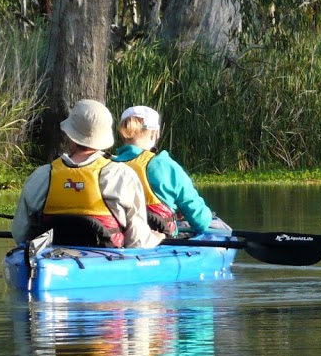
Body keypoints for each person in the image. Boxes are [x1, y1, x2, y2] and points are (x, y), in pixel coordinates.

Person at [12, 99, 164, 249]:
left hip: (50, 257)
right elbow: (137, 242)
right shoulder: (121, 175)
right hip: (107, 261)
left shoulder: (41, 176)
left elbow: (20, 235)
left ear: (70, 134)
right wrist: (157, 238)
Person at [113, 105, 214, 237]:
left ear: (123, 135)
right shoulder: (164, 165)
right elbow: (201, 221)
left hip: (119, 241)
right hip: (161, 240)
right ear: (155, 133)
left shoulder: (108, 165)